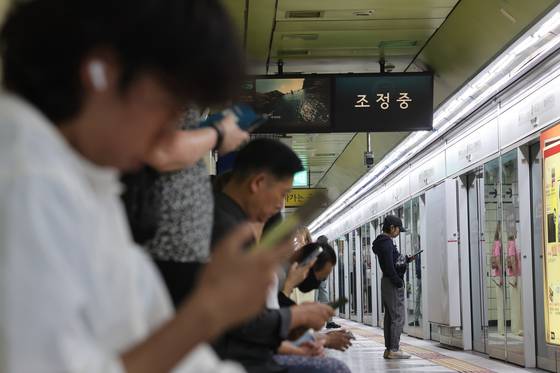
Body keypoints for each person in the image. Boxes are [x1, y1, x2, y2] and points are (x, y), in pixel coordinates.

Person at [0, 1, 291, 372]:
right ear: (101, 73)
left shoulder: (89, 183)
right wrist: (207, 314)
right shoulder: (28, 180)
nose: (168, 136)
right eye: (169, 107)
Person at [211, 138, 334, 373]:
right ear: (258, 183)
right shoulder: (228, 232)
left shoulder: (225, 218)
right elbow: (239, 321)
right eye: (282, 193)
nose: (280, 205)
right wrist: (297, 316)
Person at [372, 215, 416, 359]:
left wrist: (407, 259)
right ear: (392, 228)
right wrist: (398, 281)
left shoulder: (384, 243)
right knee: (398, 317)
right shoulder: (386, 243)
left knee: (390, 317)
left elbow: (394, 260)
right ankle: (394, 349)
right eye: (398, 229)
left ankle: (389, 349)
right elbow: (390, 266)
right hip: (391, 282)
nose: (398, 233)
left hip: (386, 281)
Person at [316, 235, 341, 329]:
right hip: (316, 281)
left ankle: (329, 322)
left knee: (324, 301)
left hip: (321, 281)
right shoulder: (317, 252)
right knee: (318, 301)